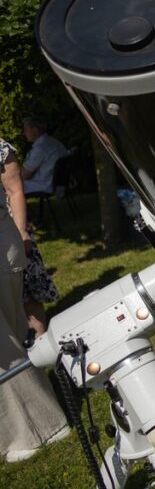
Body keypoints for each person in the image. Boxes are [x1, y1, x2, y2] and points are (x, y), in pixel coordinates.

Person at [1, 138, 69, 463]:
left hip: (3, 251)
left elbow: (15, 191)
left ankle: (42, 427)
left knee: (8, 343)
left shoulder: (0, 148)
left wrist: (23, 236)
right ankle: (15, 429)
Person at [0, 139, 59, 337]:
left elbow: (15, 190)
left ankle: (42, 343)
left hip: (10, 231)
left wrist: (22, 232)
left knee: (29, 293)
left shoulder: (1, 148)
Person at [20, 117, 68, 196]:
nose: (24, 133)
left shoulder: (41, 148)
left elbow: (24, 174)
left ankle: (17, 208)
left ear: (35, 130)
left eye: (26, 130)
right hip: (58, 185)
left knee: (9, 186)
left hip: (44, 185)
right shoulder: (54, 142)